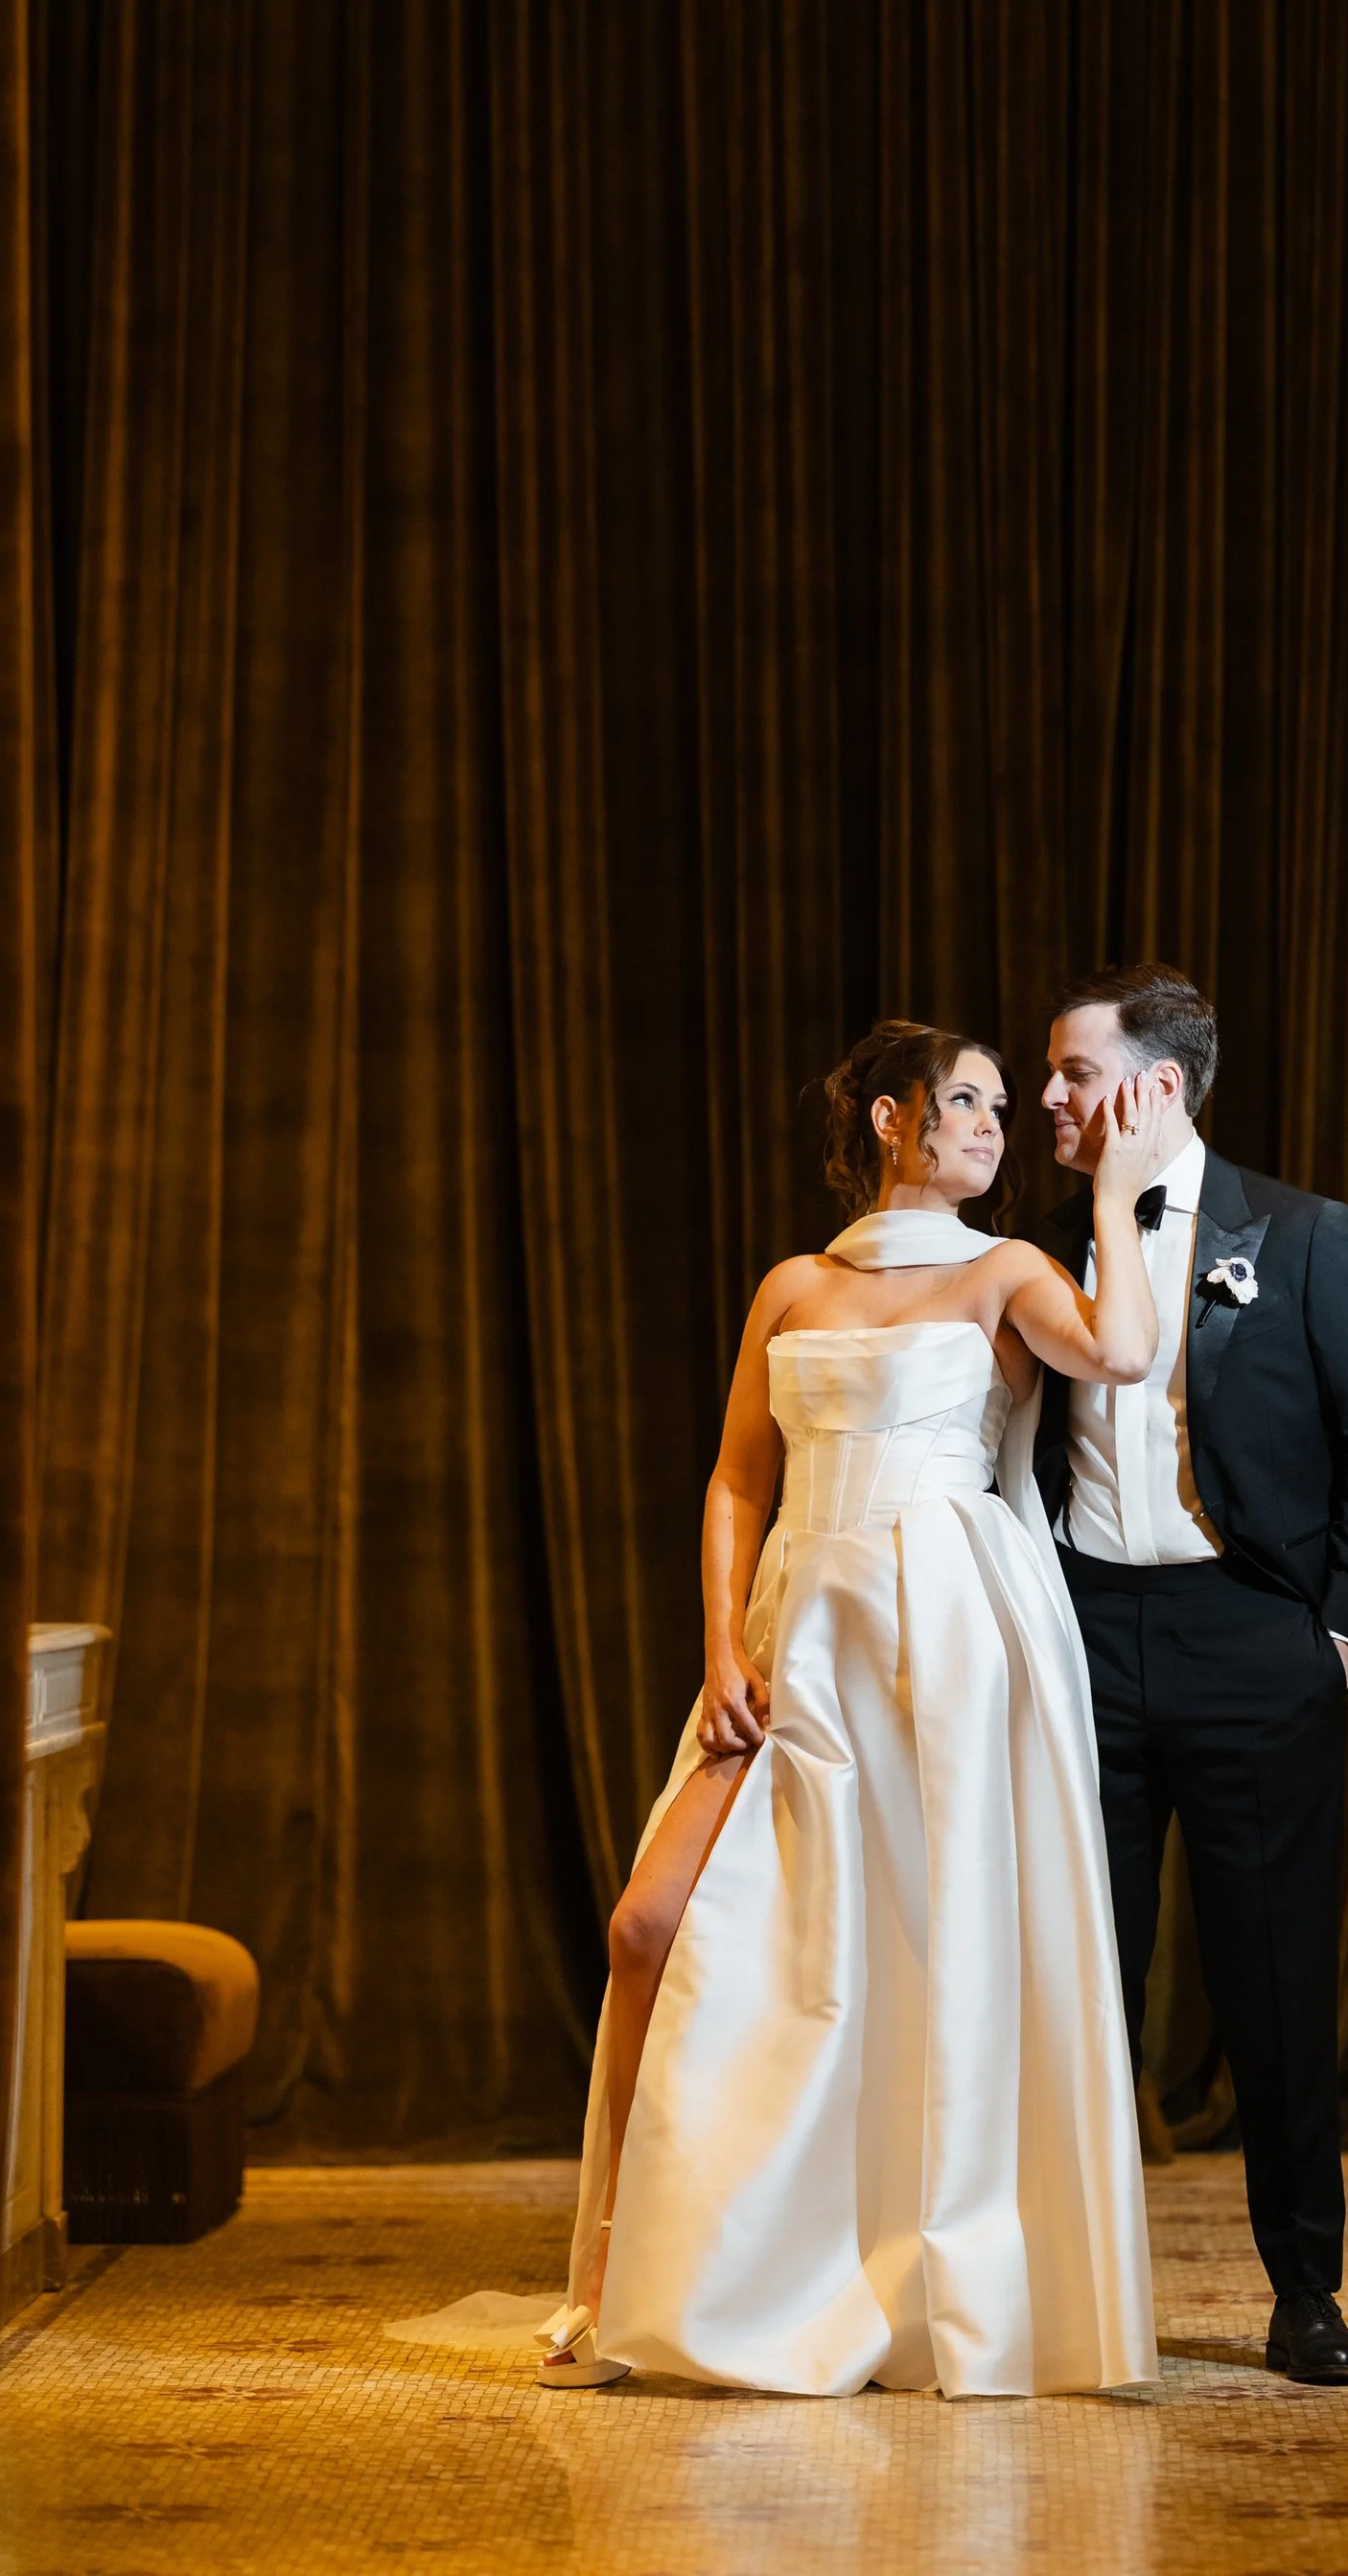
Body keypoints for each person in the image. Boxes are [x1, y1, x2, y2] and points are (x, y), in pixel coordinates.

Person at [536, 1019, 1170, 2398]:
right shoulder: (794, 1286)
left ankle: (910, 2284)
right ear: (892, 1118)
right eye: (966, 1103)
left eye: (1006, 1108)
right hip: (792, 1635)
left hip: (944, 1634)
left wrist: (1115, 1199)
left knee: (921, 1964)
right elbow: (735, 1482)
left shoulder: (1008, 1270)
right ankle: (612, 2279)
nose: (996, 1128)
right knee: (652, 1925)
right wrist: (720, 1649)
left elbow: (1120, 1357)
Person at [1031, 963, 1348, 2389]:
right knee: (1080, 1982)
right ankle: (1070, 2293)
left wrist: (1332, 1639)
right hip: (1083, 1649)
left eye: (1075, 1073)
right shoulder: (1037, 1247)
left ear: (1158, 1087)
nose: (1051, 1099)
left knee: (1273, 1987)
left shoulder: (1304, 1235)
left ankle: (1304, 2291)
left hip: (1255, 1641)